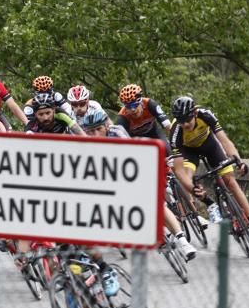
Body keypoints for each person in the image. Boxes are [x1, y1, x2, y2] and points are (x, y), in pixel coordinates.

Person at [82, 106, 197, 260]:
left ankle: (183, 242)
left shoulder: (116, 133)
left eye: (98, 129)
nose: (95, 134)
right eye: (90, 132)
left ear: (106, 126)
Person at [168, 95, 249, 245]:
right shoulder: (176, 132)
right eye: (181, 122)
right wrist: (192, 188)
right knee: (188, 176)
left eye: (188, 120)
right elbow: (179, 171)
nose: (185, 124)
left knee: (230, 181)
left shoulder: (205, 115)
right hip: (188, 151)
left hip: (209, 145)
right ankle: (208, 204)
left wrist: (239, 161)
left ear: (194, 113)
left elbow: (224, 140)